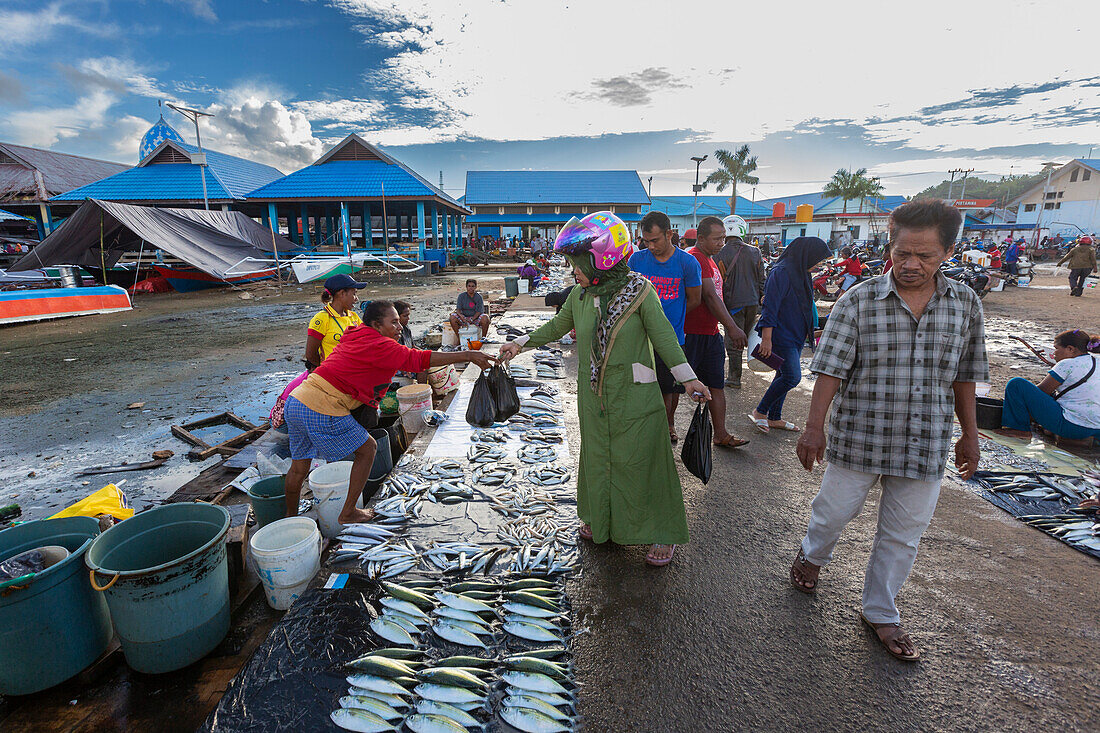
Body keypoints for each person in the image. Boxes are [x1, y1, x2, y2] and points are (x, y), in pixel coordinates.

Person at [788, 200, 987, 663]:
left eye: (926, 256)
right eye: (902, 254)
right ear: (889, 246)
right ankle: (813, 556)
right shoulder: (857, 300)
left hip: (926, 441)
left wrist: (970, 434)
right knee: (832, 513)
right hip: (860, 437)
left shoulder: (965, 304)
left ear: (948, 252)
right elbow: (831, 371)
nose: (911, 265)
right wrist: (813, 429)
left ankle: (881, 611)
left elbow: (966, 375)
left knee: (903, 534)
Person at [498, 212, 712, 567]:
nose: (573, 272)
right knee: (599, 459)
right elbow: (557, 326)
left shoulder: (640, 290)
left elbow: (664, 338)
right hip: (593, 395)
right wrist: (520, 342)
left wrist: (688, 378)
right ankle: (604, 520)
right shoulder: (581, 295)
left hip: (635, 394)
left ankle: (662, 530)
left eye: (577, 263)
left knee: (644, 461)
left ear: (602, 258)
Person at [283, 300, 495, 524]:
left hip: (297, 400)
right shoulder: (380, 345)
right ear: (376, 325)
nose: (399, 327)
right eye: (393, 323)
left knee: (299, 467)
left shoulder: (356, 333)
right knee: (367, 449)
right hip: (322, 405)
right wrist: (468, 355)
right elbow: (419, 359)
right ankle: (348, 512)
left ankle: (289, 518)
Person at [628, 210, 702, 443]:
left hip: (671, 337)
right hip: (639, 336)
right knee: (641, 382)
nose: (650, 246)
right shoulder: (636, 260)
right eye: (646, 241)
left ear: (670, 234)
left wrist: (668, 320)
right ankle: (645, 424)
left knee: (670, 388)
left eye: (655, 240)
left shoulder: (687, 262)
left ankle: (668, 424)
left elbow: (694, 299)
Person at [749, 237, 832, 434]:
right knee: (792, 377)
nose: (818, 264)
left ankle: (775, 417)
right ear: (806, 254)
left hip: (796, 334)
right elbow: (770, 306)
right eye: (818, 259)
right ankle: (760, 411)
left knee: (783, 374)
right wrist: (767, 340)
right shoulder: (782, 271)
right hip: (781, 335)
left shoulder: (800, 272)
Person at [685, 216, 750, 448]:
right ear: (701, 238)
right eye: (716, 238)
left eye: (723, 237)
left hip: (710, 333)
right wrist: (732, 327)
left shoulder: (711, 260)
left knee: (716, 384)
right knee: (673, 387)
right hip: (691, 333)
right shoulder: (696, 258)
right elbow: (710, 296)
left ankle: (721, 434)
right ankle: (669, 428)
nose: (722, 242)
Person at [997, 330, 1100, 442]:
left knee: (1016, 384)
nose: (1054, 353)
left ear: (1070, 349)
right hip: (1097, 429)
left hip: (1072, 427)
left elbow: (1041, 391)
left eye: (1056, 348)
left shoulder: (1067, 364)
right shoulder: (1097, 362)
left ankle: (1019, 429)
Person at [714, 214, 765, 389]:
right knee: (748, 335)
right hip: (752, 302)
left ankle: (734, 378)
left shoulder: (719, 253)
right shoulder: (755, 251)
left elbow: (717, 281)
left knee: (733, 339)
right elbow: (761, 279)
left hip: (733, 303)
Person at [305, 274, 365, 370]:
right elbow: (310, 354)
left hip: (353, 372)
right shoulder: (321, 318)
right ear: (342, 293)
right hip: (331, 375)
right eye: (354, 294)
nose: (356, 299)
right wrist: (325, 369)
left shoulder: (354, 317)